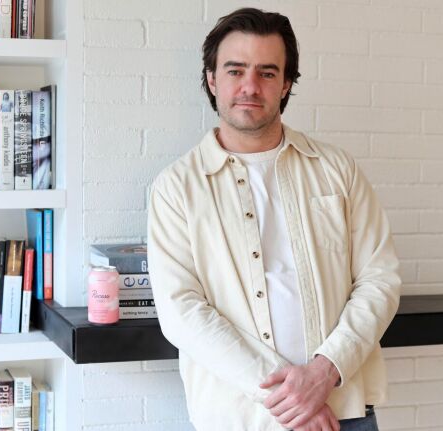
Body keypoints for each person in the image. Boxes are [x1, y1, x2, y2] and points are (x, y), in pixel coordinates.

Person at [147, 8, 401, 431]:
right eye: (235, 70)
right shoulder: (176, 188)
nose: (250, 86)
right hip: (241, 418)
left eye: (267, 73)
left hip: (342, 411)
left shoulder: (337, 170)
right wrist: (293, 398)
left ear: (286, 84)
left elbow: (381, 279)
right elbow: (182, 313)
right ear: (212, 79)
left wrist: (324, 373)